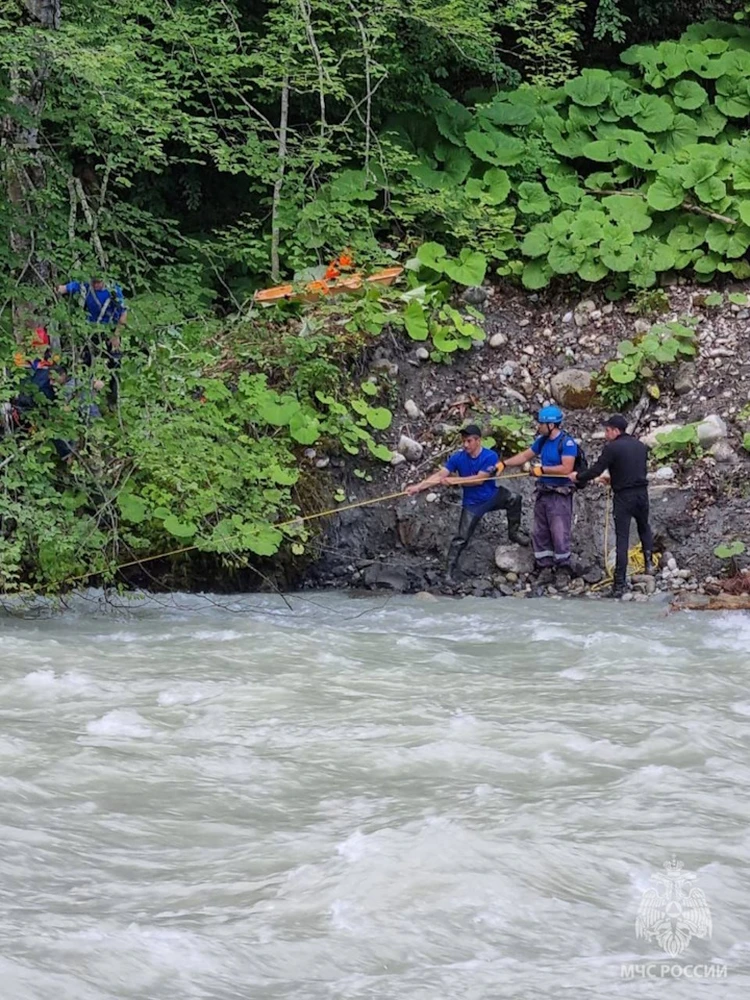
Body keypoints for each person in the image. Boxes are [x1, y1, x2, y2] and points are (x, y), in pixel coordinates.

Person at [405, 424, 529, 582]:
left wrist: (454, 481)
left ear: (478, 441)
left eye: (469, 441)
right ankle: (448, 572)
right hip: (472, 504)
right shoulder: (458, 457)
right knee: (461, 538)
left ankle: (514, 533)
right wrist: (418, 487)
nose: (465, 444)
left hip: (492, 496)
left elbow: (479, 480)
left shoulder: (490, 456)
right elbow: (440, 475)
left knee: (514, 498)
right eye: (464, 441)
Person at [571, 413, 654, 599]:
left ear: (616, 431)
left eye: (607, 430)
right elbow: (633, 469)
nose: (605, 434)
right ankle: (649, 563)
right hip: (642, 493)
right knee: (643, 527)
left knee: (622, 539)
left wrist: (578, 477)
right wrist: (613, 478)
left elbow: (595, 470)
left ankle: (618, 585)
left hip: (624, 497)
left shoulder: (612, 448)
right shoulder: (640, 446)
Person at [502, 406, 578, 586]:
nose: (539, 426)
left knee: (560, 532)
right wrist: (503, 464)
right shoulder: (542, 441)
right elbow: (525, 456)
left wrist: (542, 470)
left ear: (552, 424)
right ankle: (545, 566)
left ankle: (563, 569)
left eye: (542, 423)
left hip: (560, 494)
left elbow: (567, 468)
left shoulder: (567, 443)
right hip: (544, 491)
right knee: (540, 531)